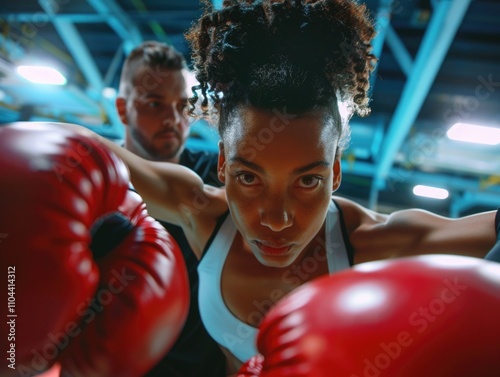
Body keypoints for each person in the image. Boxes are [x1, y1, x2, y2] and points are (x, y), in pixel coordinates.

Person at [60, 0, 498, 374]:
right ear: (222, 166)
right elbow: (77, 148)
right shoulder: (200, 211)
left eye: (308, 180)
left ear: (337, 173)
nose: (276, 218)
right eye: (249, 177)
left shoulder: (368, 243)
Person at [115, 40, 226, 377]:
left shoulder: (218, 176)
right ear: (123, 110)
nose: (173, 118)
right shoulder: (96, 186)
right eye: (155, 103)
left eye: (183, 105)